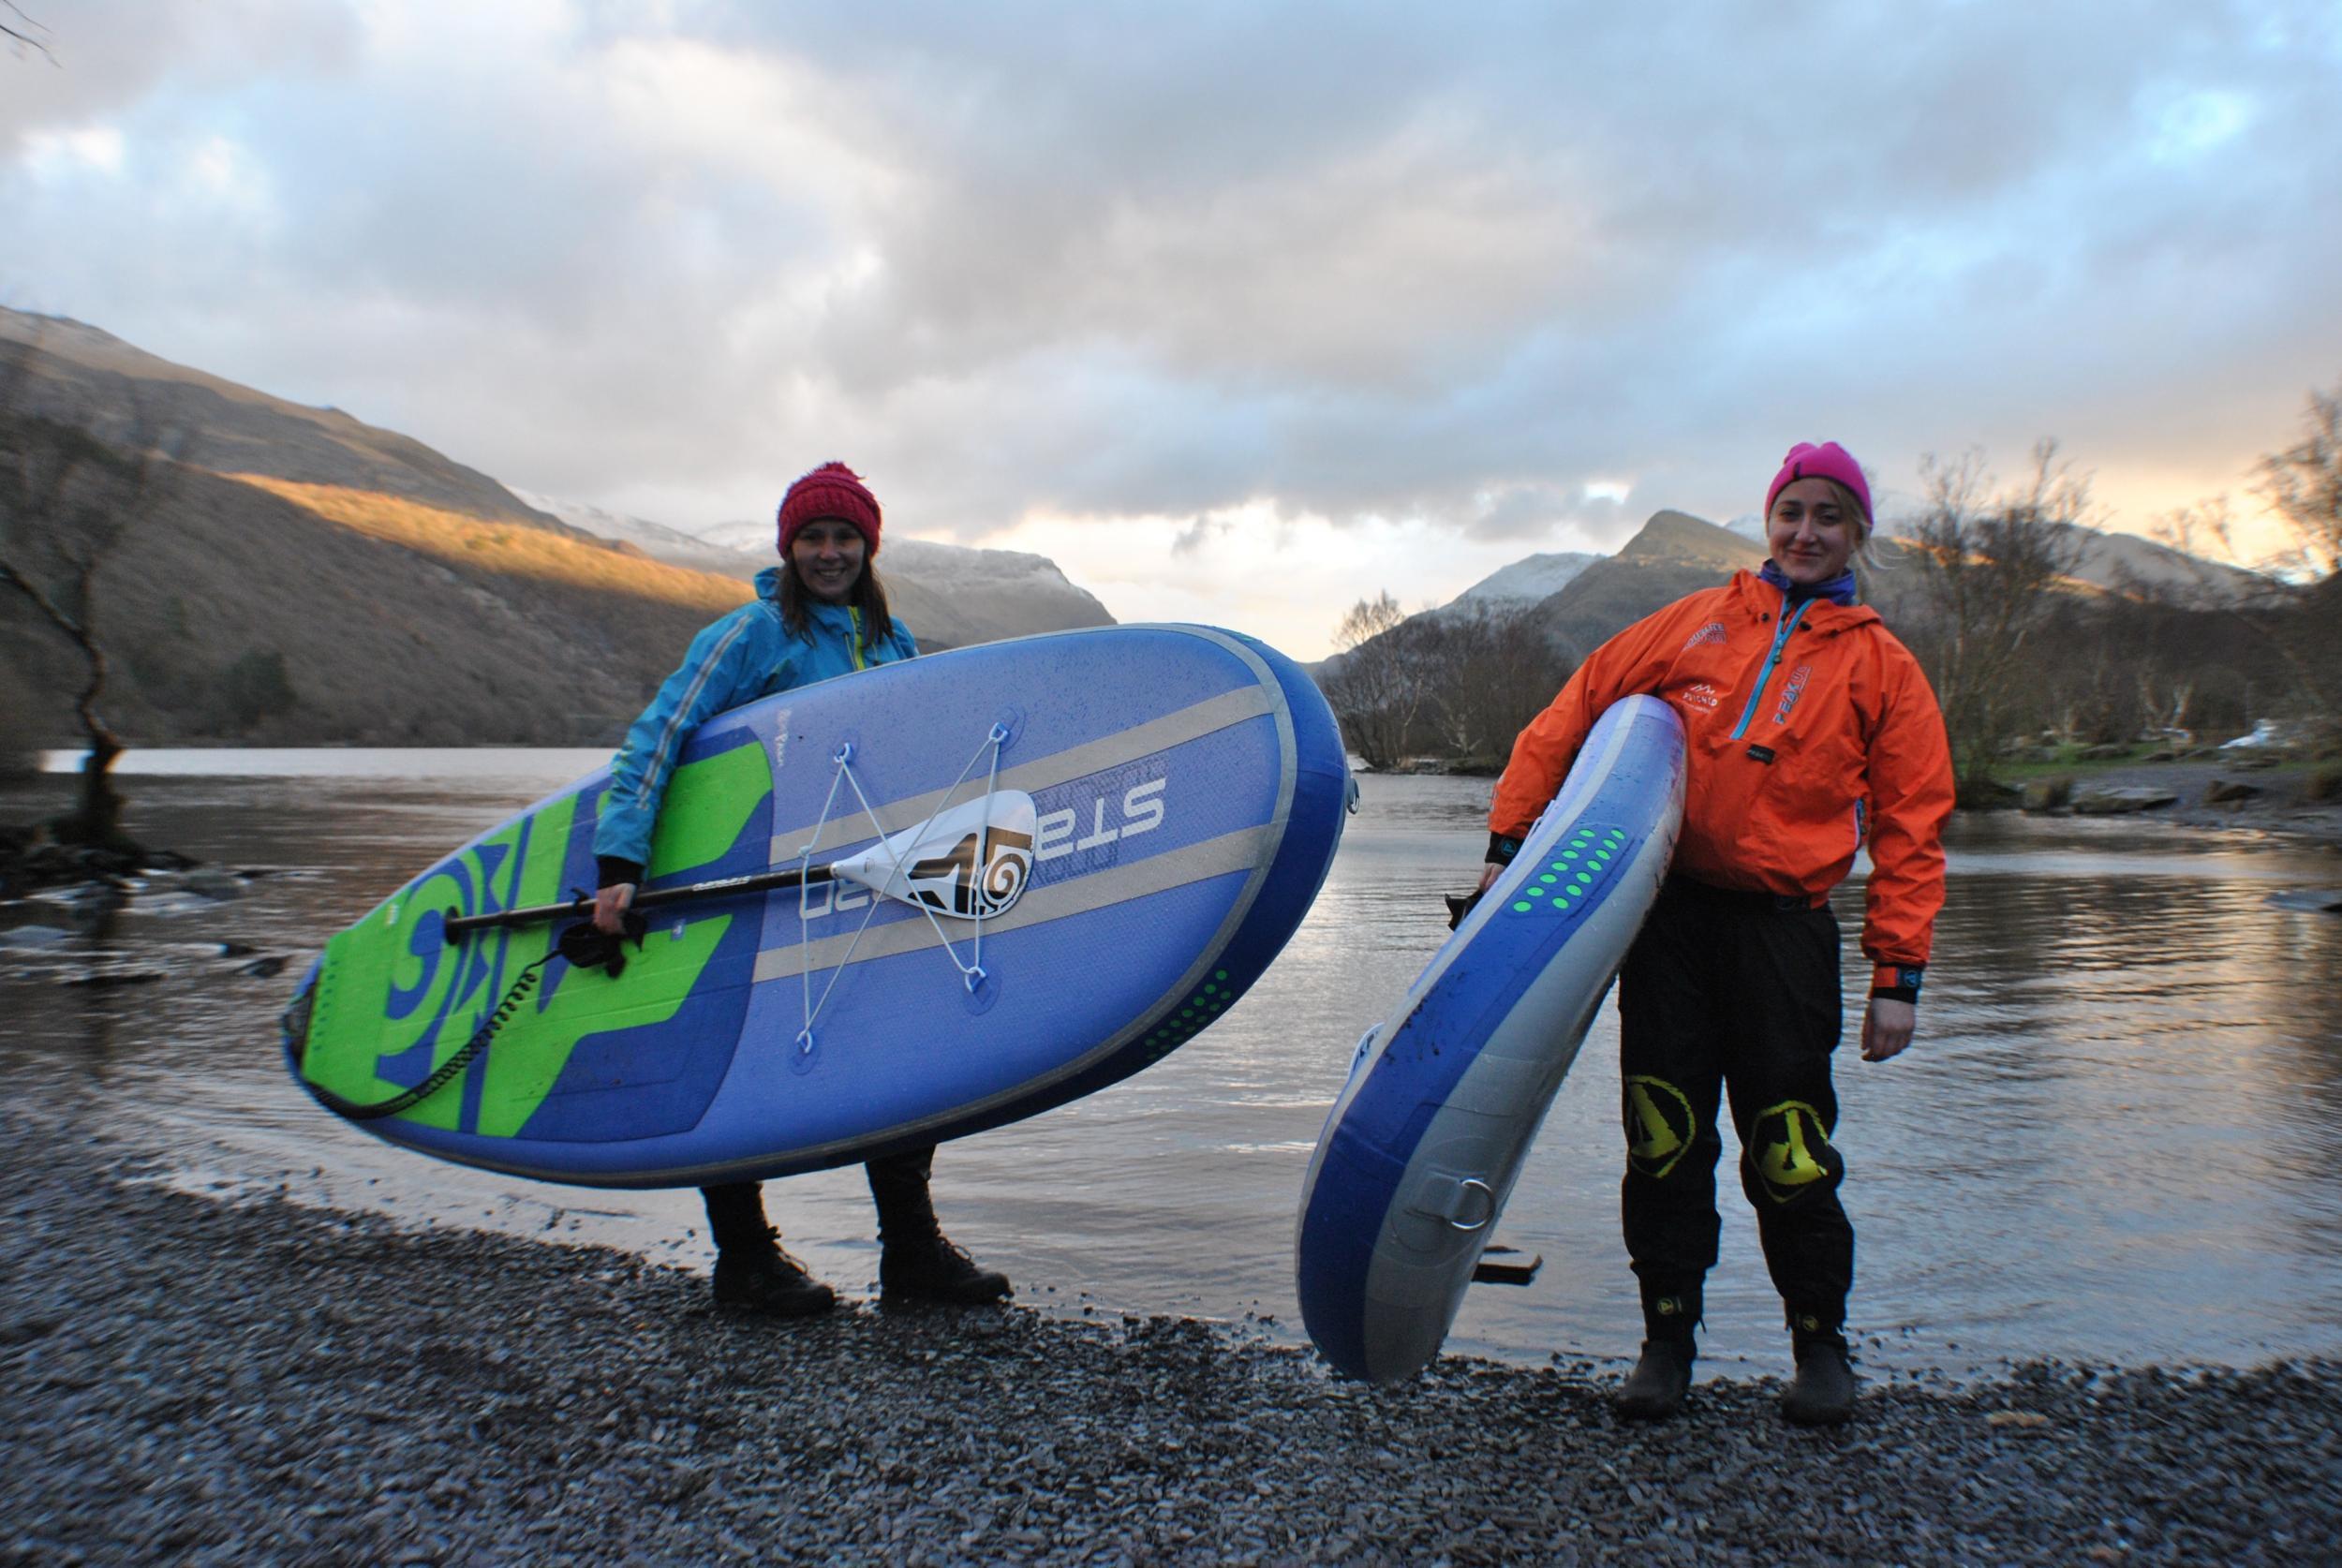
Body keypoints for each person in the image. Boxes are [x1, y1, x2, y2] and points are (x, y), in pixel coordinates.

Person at [1477, 440, 1952, 1426]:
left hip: (1785, 934)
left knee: (1788, 1146)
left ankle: (1820, 1347)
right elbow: (1568, 717)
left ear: (1855, 532)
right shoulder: (1692, 624)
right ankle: (1665, 1341)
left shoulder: (1880, 665)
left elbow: (1914, 822)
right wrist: (1507, 841)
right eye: (1791, 512)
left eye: (1828, 516)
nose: (1806, 532)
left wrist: (1898, 975)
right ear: (1767, 520)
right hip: (1669, 924)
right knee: (1662, 1135)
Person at [590, 461, 1012, 1318]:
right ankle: (745, 1260)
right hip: (747, 883)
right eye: (813, 538)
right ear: (789, 547)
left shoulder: (892, 645)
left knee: (894, 1050)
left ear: (867, 546)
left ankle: (912, 1256)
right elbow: (657, 739)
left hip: (866, 884)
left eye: (844, 538)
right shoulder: (750, 636)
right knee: (736, 1051)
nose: (829, 553)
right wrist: (618, 870)